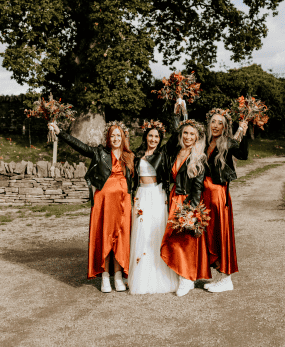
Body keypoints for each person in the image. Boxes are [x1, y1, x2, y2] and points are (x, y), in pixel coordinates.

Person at [49, 121, 134, 293]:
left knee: (120, 238)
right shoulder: (99, 152)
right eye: (112, 135)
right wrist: (60, 133)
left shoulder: (129, 156)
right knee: (105, 237)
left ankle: (118, 276)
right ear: (108, 138)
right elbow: (81, 147)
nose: (116, 138)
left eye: (118, 135)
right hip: (104, 202)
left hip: (123, 202)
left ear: (123, 137)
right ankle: (104, 277)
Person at [160, 117, 212, 297]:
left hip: (186, 201)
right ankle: (180, 274)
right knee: (172, 238)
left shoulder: (199, 157)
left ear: (197, 137)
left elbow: (198, 187)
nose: (188, 136)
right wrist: (177, 110)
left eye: (192, 134)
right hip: (173, 197)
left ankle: (187, 278)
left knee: (185, 240)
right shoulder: (176, 151)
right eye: (185, 133)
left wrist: (192, 210)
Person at [128, 120, 179, 294]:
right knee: (142, 232)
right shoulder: (136, 154)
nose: (153, 139)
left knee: (156, 232)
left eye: (157, 136)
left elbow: (176, 137)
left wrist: (179, 112)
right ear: (145, 136)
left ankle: (161, 276)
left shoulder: (163, 153)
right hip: (141, 195)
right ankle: (142, 278)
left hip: (157, 195)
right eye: (150, 135)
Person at [202, 108, 248, 293]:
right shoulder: (205, 142)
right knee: (207, 235)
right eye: (213, 121)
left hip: (218, 195)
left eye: (220, 123)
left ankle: (227, 278)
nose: (215, 125)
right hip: (203, 195)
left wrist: (243, 132)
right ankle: (215, 274)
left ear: (225, 126)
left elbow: (243, 155)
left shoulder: (228, 143)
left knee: (221, 233)